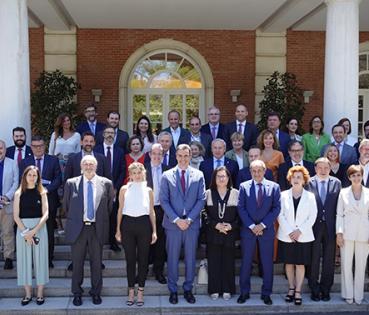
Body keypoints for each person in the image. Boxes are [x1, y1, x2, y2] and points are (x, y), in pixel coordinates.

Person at [63, 155, 114, 306]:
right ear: (81, 166)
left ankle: (96, 292)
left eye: (91, 164)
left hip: (96, 228)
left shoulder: (106, 183)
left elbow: (109, 207)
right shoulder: (71, 183)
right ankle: (77, 293)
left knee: (97, 263)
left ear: (96, 166)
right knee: (77, 263)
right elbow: (66, 206)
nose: (88, 166)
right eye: (85, 164)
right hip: (78, 229)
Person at [160, 144, 206, 305]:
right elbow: (164, 201)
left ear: (190, 156)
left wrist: (189, 219)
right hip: (173, 225)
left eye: (186, 155)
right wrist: (177, 220)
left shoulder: (198, 175)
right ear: (176, 156)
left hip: (191, 224)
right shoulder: (166, 175)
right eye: (180, 155)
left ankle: (188, 289)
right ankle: (173, 290)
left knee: (190, 258)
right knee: (172, 258)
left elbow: (201, 199)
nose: (183, 158)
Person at [237, 160, 281, 305]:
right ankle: (244, 292)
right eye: (254, 171)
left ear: (264, 171)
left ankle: (266, 293)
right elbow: (241, 208)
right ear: (250, 172)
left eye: (259, 171)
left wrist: (262, 225)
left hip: (266, 230)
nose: (256, 174)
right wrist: (251, 226)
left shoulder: (274, 187)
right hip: (248, 230)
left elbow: (276, 208)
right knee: (246, 262)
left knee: (267, 263)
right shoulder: (243, 187)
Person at [116, 162, 157, 306]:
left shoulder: (148, 190)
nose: (137, 175)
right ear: (130, 174)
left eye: (139, 172)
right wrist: (117, 230)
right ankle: (130, 291)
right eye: (134, 173)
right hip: (127, 225)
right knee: (130, 260)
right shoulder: (124, 189)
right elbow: (120, 209)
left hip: (144, 225)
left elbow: (152, 211)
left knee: (143, 259)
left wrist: (154, 231)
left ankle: (140, 291)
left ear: (143, 173)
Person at [277, 166, 317, 306]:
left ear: (304, 180)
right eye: (293, 177)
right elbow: (280, 215)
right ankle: (291, 288)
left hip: (303, 236)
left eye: (299, 177)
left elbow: (312, 216)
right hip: (287, 235)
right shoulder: (282, 195)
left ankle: (298, 291)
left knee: (300, 264)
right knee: (289, 263)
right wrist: (290, 231)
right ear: (290, 179)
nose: (296, 179)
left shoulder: (310, 196)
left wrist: (299, 231)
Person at [20, 136, 62, 268]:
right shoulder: (25, 162)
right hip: (30, 202)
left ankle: (48, 259)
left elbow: (58, 178)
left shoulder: (53, 160)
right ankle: (33, 259)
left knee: (48, 230)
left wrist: (46, 190)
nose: (38, 148)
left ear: (45, 146)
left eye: (40, 146)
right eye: (35, 146)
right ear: (31, 147)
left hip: (49, 199)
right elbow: (22, 181)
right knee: (32, 229)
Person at [305, 157, 341, 302]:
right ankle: (314, 288)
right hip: (313, 226)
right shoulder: (308, 183)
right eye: (320, 167)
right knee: (313, 258)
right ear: (315, 169)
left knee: (329, 259)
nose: (323, 170)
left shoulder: (336, 183)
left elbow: (339, 206)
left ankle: (326, 289)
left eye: (326, 167)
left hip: (331, 226)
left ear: (330, 168)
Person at [13, 165, 49, 305]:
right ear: (25, 177)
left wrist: (34, 231)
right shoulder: (18, 193)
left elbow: (46, 213)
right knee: (24, 261)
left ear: (38, 177)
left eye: (35, 175)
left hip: (39, 227)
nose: (32, 177)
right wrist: (26, 233)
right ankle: (27, 294)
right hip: (23, 229)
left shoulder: (42, 192)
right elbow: (16, 216)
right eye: (30, 175)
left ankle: (40, 294)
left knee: (41, 260)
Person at [336, 164, 369, 305]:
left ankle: (358, 295)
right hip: (347, 233)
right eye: (353, 175)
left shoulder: (368, 192)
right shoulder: (343, 192)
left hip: (364, 233)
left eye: (359, 175)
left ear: (362, 176)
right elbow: (339, 214)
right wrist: (339, 233)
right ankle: (348, 294)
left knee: (361, 266)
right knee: (346, 264)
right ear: (349, 177)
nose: (356, 178)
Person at [205, 167, 239, 301]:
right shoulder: (208, 193)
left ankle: (227, 289)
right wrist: (215, 225)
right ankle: (214, 289)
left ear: (228, 178)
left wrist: (231, 226)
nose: (221, 179)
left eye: (224, 176)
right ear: (214, 178)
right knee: (213, 262)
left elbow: (240, 215)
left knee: (228, 262)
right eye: (218, 176)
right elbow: (203, 212)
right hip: (213, 233)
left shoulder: (235, 193)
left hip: (229, 234)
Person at [94, 126, 125, 252]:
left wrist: (116, 187)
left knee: (113, 216)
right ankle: (98, 241)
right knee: (99, 216)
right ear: (103, 134)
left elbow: (122, 171)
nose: (110, 135)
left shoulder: (120, 151)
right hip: (98, 188)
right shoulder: (96, 150)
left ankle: (113, 242)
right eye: (107, 132)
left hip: (115, 189)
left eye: (112, 133)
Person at [145, 144, 170, 284]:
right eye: (154, 153)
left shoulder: (168, 170)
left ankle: (158, 271)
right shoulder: (142, 169)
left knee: (160, 241)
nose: (156, 156)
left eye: (159, 154)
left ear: (163, 155)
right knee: (145, 241)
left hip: (162, 209)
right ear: (149, 154)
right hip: (146, 209)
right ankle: (143, 270)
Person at [0, 140, 19, 270]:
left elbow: (16, 182)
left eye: (1, 148)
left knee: (8, 232)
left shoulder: (12, 163)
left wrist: (7, 196)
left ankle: (8, 258)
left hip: (7, 203)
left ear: (5, 150)